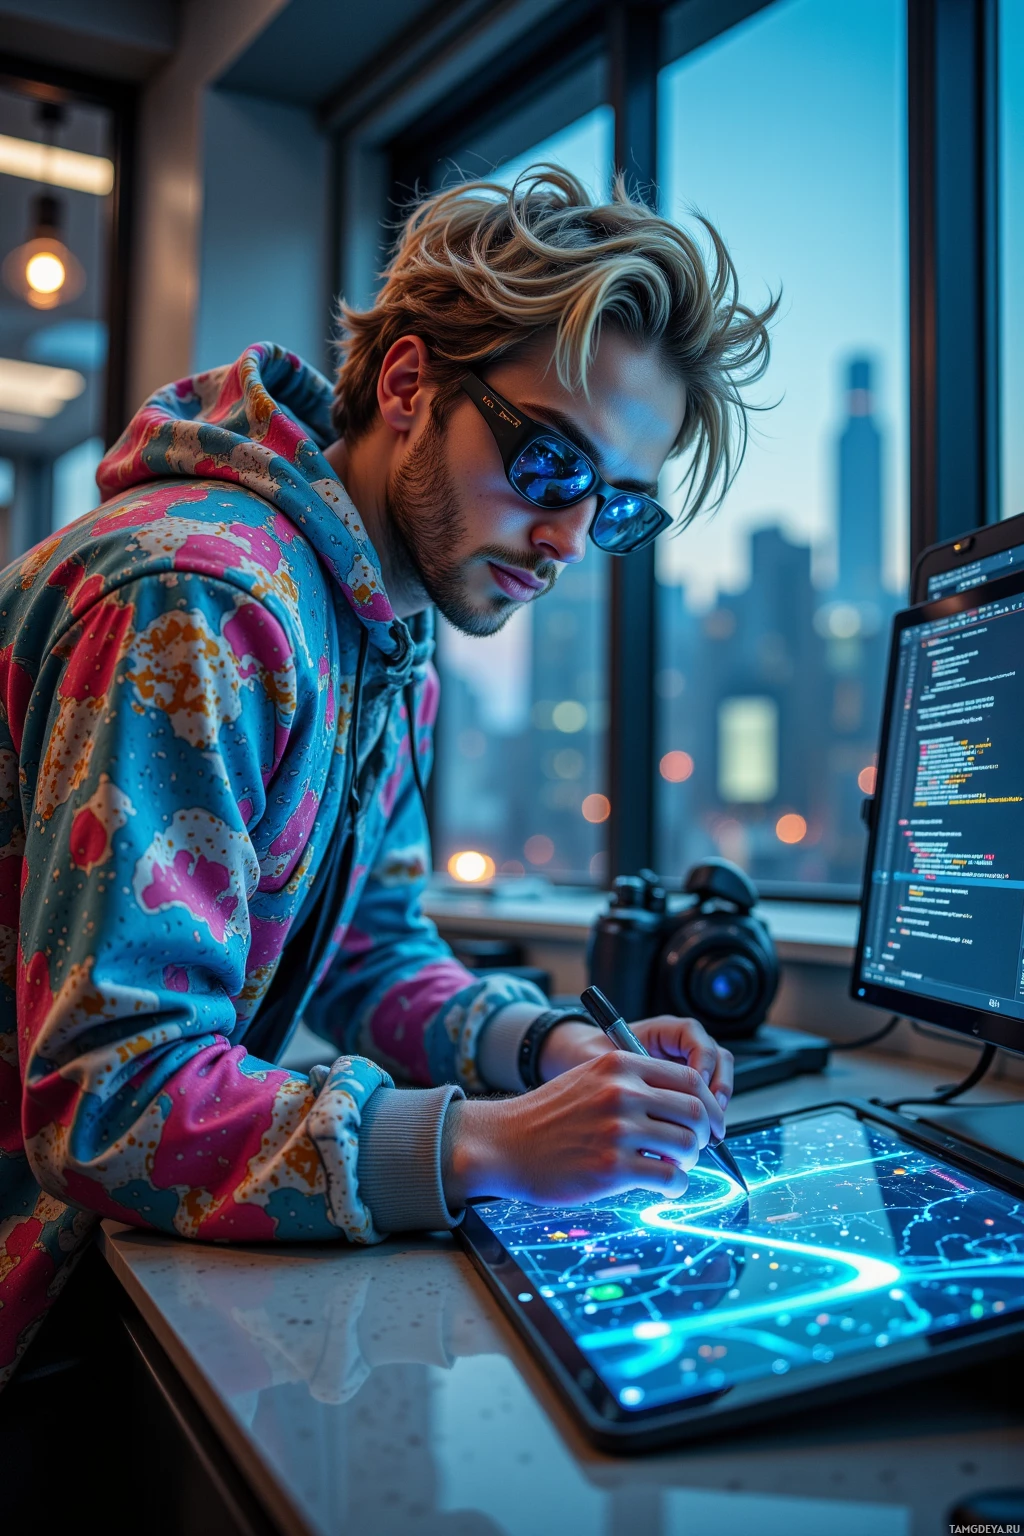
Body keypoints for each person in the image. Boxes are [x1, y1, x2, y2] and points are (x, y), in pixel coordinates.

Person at [0, 167, 775, 1388]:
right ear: (409, 385)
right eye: (551, 465)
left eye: (616, 508)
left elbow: (371, 954)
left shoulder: (386, 639)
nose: (569, 540)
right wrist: (484, 1146)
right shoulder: (202, 606)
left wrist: (549, 1051)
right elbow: (112, 1100)